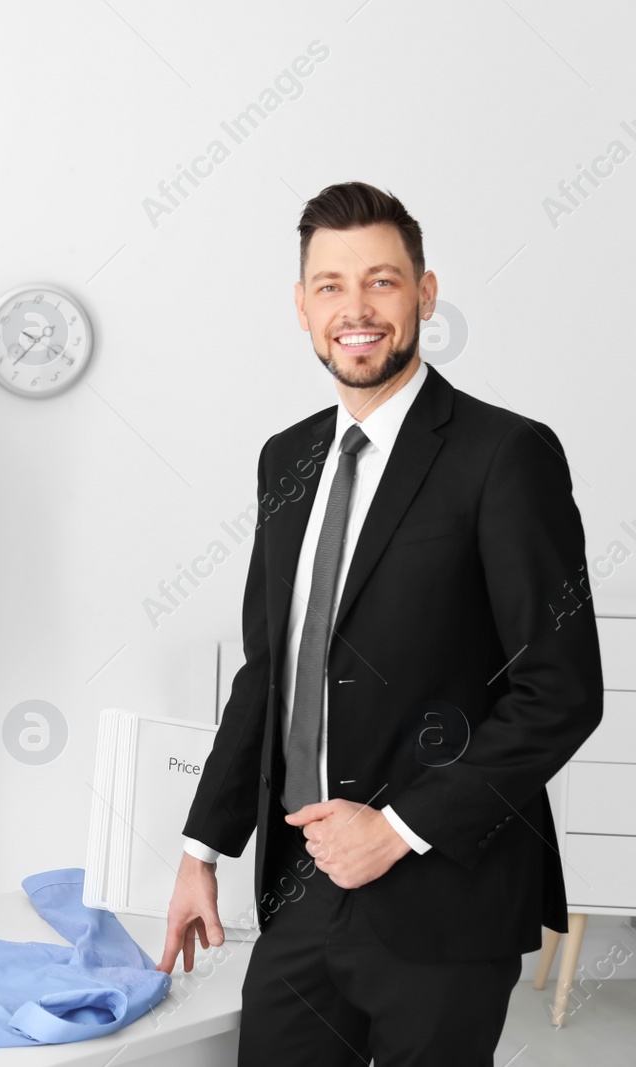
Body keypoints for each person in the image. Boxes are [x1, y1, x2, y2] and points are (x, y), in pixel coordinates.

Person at [160, 182, 603, 1065]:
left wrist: (395, 828)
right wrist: (201, 847)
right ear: (301, 305)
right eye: (329, 286)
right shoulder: (286, 458)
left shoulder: (504, 454)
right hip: (300, 888)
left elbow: (560, 691)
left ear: (425, 294)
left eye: (381, 283)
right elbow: (269, 669)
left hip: (443, 893)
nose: (355, 310)